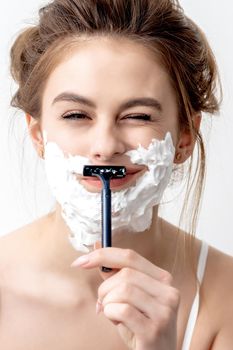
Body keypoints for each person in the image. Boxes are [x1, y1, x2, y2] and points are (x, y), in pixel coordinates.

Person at [0, 0, 233, 349]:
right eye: (77, 115)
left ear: (184, 137)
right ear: (38, 136)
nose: (106, 146)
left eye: (138, 116)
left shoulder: (226, 297)